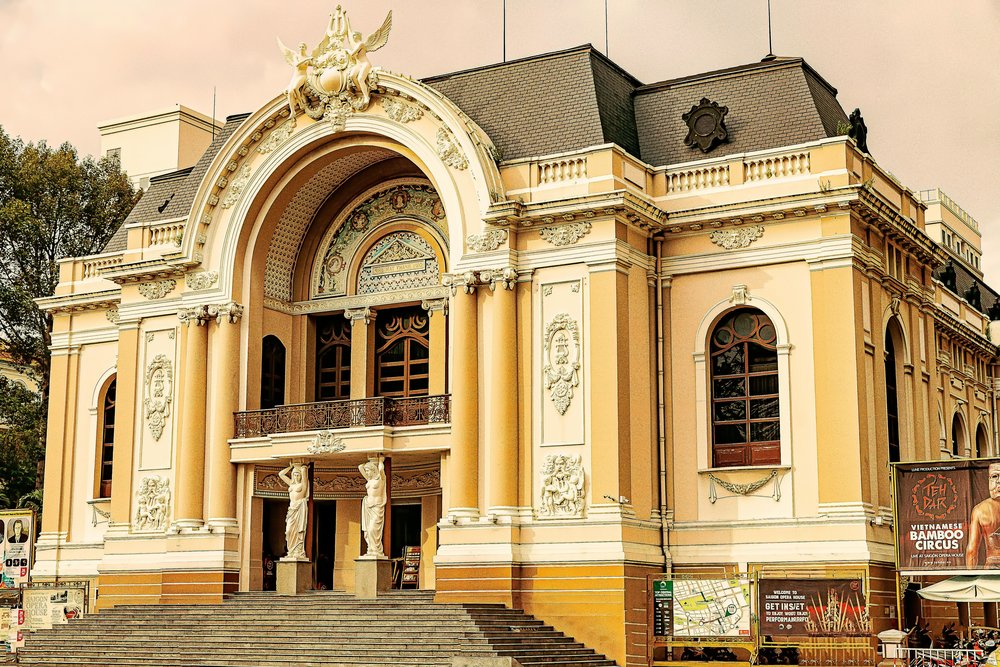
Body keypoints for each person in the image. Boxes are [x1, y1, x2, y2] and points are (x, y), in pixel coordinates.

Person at [966, 463, 1000, 567]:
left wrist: (971, 578)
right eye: (995, 476)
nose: (999, 481)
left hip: (992, 567)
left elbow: (972, 551)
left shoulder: (980, 510)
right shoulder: (979, 510)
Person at [278, 463, 309, 560]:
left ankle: (298, 551)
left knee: (298, 530)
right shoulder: (291, 483)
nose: (296, 476)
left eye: (298, 474)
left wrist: (303, 468)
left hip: (299, 508)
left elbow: (304, 471)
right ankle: (291, 551)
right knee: (289, 531)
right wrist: (291, 467)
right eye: (295, 474)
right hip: (291, 510)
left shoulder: (303, 485)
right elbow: (281, 474)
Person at [359, 454, 387, 558]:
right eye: (366, 471)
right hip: (368, 506)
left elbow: (381, 471)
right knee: (367, 531)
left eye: (368, 470)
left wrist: (380, 461)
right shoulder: (369, 480)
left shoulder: (381, 480)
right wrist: (368, 463)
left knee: (372, 529)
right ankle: (370, 549)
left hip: (377, 506)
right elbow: (360, 467)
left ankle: (376, 550)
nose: (366, 472)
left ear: (373, 470)